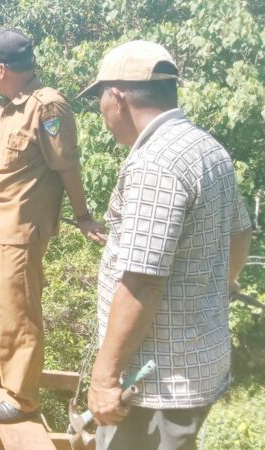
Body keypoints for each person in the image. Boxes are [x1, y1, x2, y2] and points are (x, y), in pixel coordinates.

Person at [77, 40, 253, 450]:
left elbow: (142, 281)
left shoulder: (155, 163)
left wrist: (104, 379)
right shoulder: (207, 148)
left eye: (99, 99)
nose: (101, 112)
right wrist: (214, 292)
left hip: (152, 386)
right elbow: (239, 233)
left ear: (117, 98)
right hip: (195, 366)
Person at [0, 29, 106, 424]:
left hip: (20, 228)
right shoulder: (13, 104)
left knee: (19, 312)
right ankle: (1, 367)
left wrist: (82, 217)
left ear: (1, 69)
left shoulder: (48, 107)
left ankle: (22, 399)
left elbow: (67, 166)